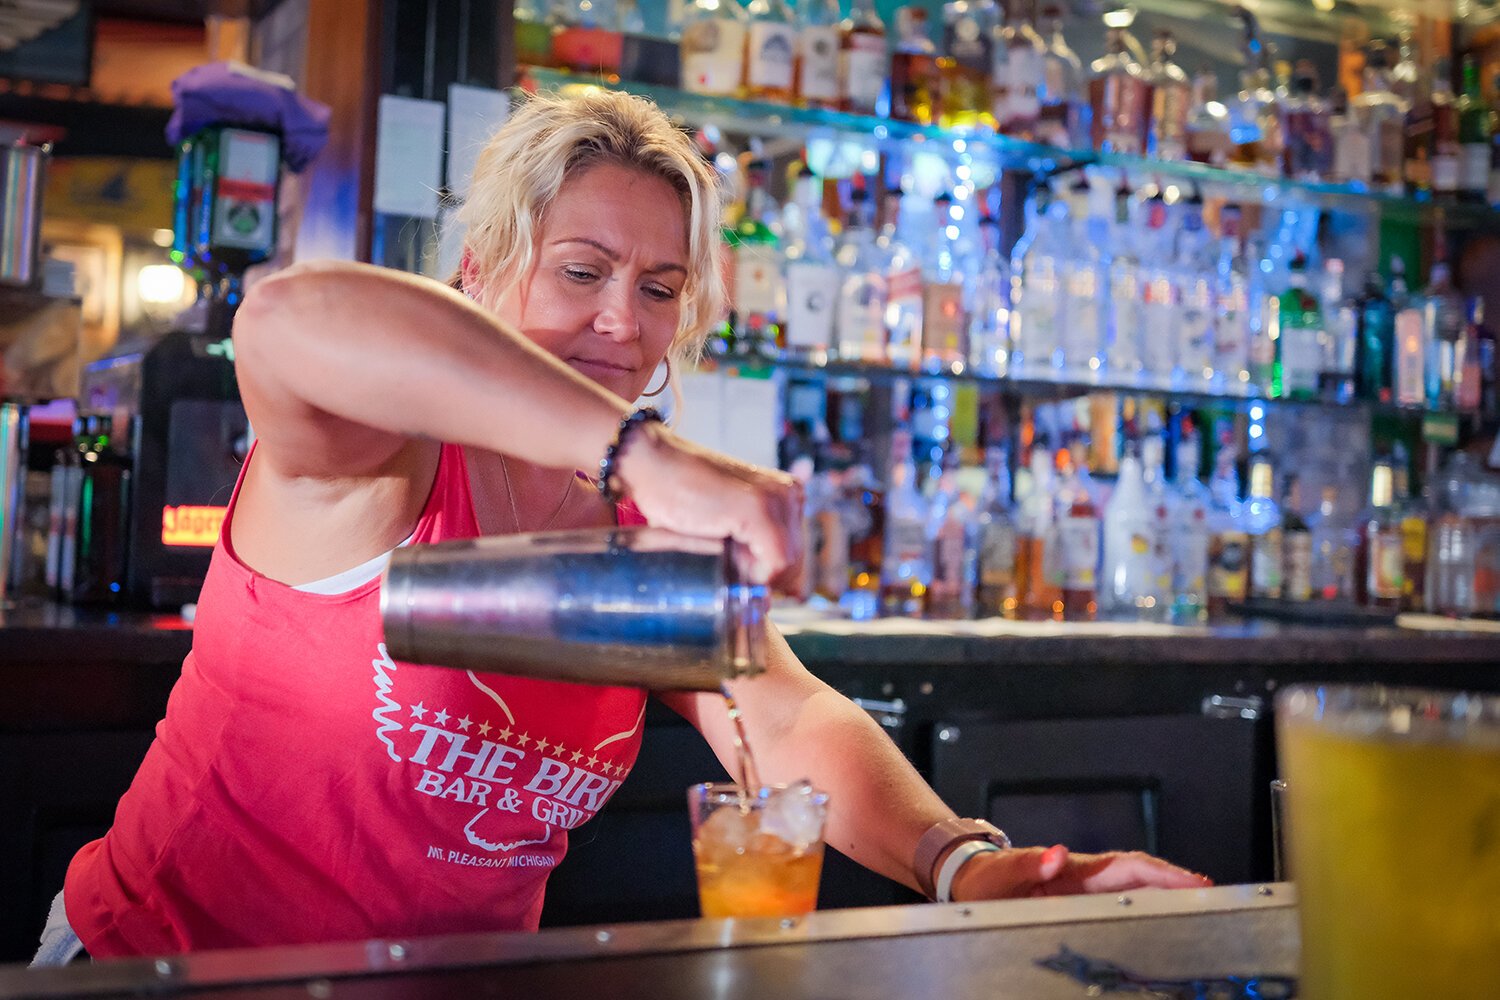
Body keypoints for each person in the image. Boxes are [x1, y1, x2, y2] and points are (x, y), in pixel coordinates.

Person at [43, 89, 1207, 962]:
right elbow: (286, 321)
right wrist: (642, 449)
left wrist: (967, 862)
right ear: (481, 272)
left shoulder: (631, 532)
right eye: (581, 270)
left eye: (657, 289)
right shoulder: (385, 460)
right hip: (168, 971)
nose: (620, 321)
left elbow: (784, 712)